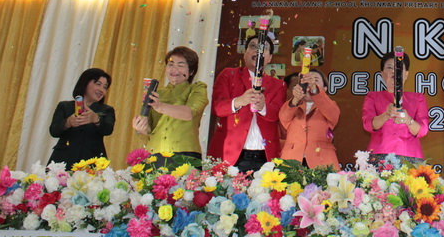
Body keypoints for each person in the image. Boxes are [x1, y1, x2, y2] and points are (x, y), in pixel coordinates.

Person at [208, 35, 286, 173]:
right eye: (253, 46)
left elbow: (278, 114)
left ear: (269, 58)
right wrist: (240, 101)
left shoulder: (278, 85)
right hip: (231, 156)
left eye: (263, 48)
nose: (258, 51)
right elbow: (217, 108)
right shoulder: (229, 75)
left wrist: (263, 107)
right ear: (245, 53)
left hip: (265, 157)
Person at [132, 47, 209, 166]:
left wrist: (160, 106)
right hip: (154, 154)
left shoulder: (197, 88)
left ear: (191, 71)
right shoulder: (156, 92)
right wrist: (141, 128)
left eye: (180, 65)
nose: (174, 69)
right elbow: (148, 129)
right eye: (171, 64)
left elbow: (189, 113)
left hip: (185, 153)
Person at [362, 51, 429, 160]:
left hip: (410, 157)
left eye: (399, 68)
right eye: (389, 67)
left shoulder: (417, 98)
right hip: (379, 156)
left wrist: (407, 120)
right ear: (382, 73)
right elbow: (368, 125)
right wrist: (386, 115)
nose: (394, 71)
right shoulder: (373, 96)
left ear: (406, 74)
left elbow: (422, 130)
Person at [48, 68, 115, 169]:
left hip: (93, 161)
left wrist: (96, 120)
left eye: (105, 87)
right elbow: (54, 131)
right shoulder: (65, 106)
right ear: (85, 83)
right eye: (98, 84)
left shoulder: (106, 110)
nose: (101, 90)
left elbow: (108, 130)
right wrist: (67, 123)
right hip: (64, 159)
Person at [279, 69, 339, 168]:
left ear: (324, 89)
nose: (310, 83)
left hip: (321, 161)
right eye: (307, 80)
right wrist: (296, 99)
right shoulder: (293, 104)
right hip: (292, 160)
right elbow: (284, 118)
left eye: (316, 80)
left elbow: (332, 113)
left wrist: (314, 90)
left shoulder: (329, 105)